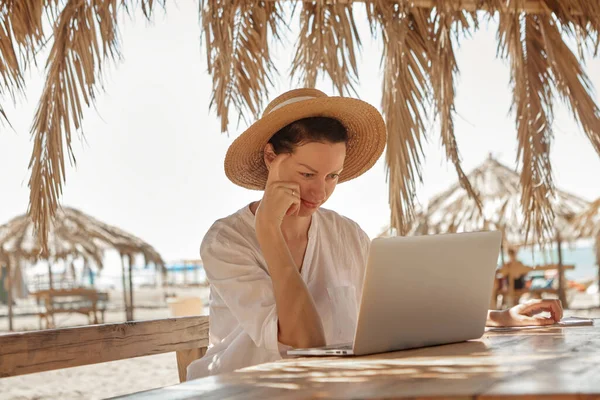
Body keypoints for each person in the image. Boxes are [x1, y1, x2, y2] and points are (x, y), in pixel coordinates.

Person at [187, 88, 563, 379]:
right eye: (306, 174)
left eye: (332, 176)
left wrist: (501, 317)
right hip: (244, 390)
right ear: (271, 156)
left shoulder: (346, 235)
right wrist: (268, 231)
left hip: (328, 389)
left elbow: (400, 310)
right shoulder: (227, 242)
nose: (319, 193)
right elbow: (303, 342)